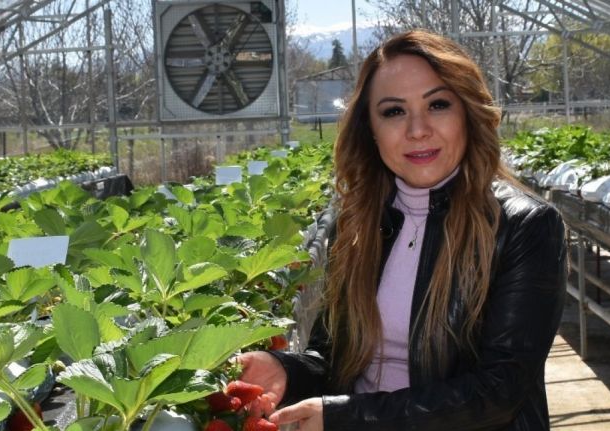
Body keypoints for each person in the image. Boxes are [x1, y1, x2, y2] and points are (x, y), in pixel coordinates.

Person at [238, 29, 567, 430]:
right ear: (371, 129)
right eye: (394, 111)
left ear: (467, 113)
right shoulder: (358, 223)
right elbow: (333, 354)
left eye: (438, 104)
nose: (417, 129)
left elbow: (499, 392)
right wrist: (287, 370)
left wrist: (348, 417)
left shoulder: (523, 227)